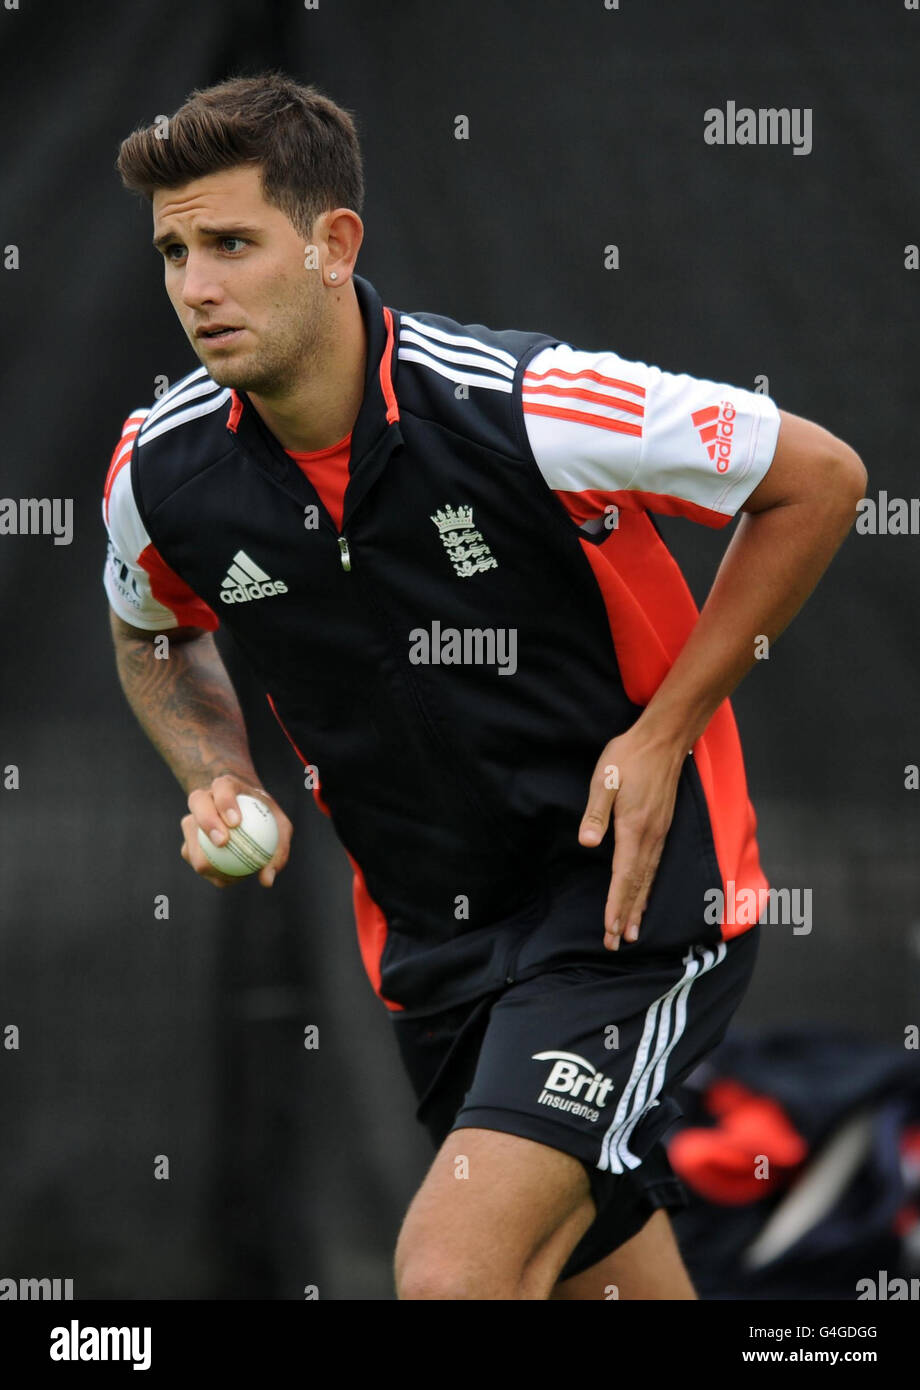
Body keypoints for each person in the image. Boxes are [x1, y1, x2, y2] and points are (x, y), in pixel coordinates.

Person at [103, 71, 866, 1300]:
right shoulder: (162, 474)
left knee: (453, 1270)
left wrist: (666, 733)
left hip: (626, 909)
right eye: (175, 251)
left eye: (233, 243)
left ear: (331, 244)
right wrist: (215, 771)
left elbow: (820, 477)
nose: (197, 287)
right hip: (434, 943)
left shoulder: (532, 404)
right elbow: (149, 632)